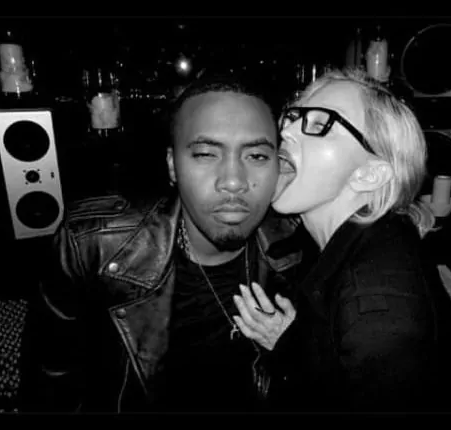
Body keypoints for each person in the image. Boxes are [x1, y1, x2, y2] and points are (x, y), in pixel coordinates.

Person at [17, 73, 315, 413]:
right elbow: (50, 388)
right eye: (206, 154)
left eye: (257, 156)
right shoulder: (94, 246)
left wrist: (294, 350)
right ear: (173, 166)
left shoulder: (301, 248)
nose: (233, 182)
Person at [232, 67, 451, 413]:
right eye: (292, 116)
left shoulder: (377, 314)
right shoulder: (364, 234)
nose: (285, 131)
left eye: (320, 124)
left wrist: (289, 349)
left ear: (369, 174)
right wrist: (294, 339)